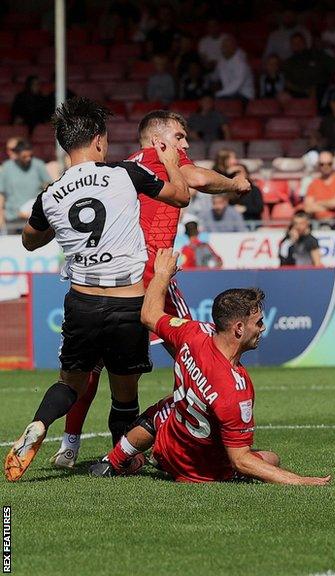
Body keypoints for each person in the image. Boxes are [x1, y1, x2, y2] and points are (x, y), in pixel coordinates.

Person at [51, 109, 251, 469]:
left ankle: (69, 445)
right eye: (179, 137)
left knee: (92, 368)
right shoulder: (159, 162)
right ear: (159, 141)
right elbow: (198, 180)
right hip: (152, 275)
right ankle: (207, 439)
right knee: (199, 354)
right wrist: (237, 184)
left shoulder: (125, 168)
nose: (185, 144)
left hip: (118, 279)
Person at [4, 97, 191, 482]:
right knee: (125, 393)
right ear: (100, 142)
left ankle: (40, 423)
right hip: (127, 302)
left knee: (69, 385)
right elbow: (181, 195)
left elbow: (29, 241)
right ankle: (121, 459)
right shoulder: (126, 174)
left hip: (82, 302)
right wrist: (172, 162)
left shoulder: (51, 195)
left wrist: (57, 222)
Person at [90, 249, 330, 485]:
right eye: (258, 323)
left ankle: (111, 462)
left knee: (168, 406)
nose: (262, 329)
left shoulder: (193, 332)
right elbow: (241, 460)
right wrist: (299, 480)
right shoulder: (235, 387)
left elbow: (149, 314)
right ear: (238, 328)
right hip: (201, 473)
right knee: (270, 458)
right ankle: (148, 462)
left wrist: (161, 273)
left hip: (170, 449)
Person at [0, 140, 52, 226]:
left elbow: (48, 186)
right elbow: (1, 193)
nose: (28, 159)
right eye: (24, 156)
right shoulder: (6, 167)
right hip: (13, 218)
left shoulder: (38, 165)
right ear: (16, 155)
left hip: (35, 218)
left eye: (30, 156)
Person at [302, 150, 335, 220]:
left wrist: (317, 203)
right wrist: (330, 205)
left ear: (332, 164)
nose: (325, 166)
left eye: (329, 164)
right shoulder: (313, 184)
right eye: (322, 164)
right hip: (318, 223)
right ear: (318, 165)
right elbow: (308, 208)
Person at [214, 35, 256, 101]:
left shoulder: (241, 63)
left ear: (234, 48)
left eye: (227, 46)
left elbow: (236, 86)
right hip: (230, 94)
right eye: (223, 46)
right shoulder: (222, 61)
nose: (224, 48)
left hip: (245, 95)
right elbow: (222, 80)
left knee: (221, 99)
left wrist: (219, 94)